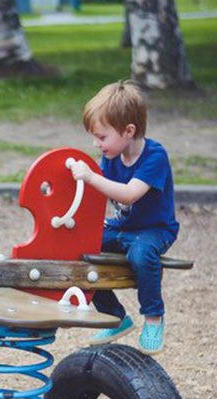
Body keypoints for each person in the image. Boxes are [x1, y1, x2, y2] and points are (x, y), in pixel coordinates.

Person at [70, 80, 179, 354]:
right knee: (80, 249)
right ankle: (116, 316)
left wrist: (93, 177)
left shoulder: (155, 156)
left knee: (142, 255)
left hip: (155, 229)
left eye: (102, 137)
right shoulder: (111, 155)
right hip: (124, 226)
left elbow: (130, 194)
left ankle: (153, 318)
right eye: (94, 137)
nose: (96, 144)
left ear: (129, 131)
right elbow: (97, 193)